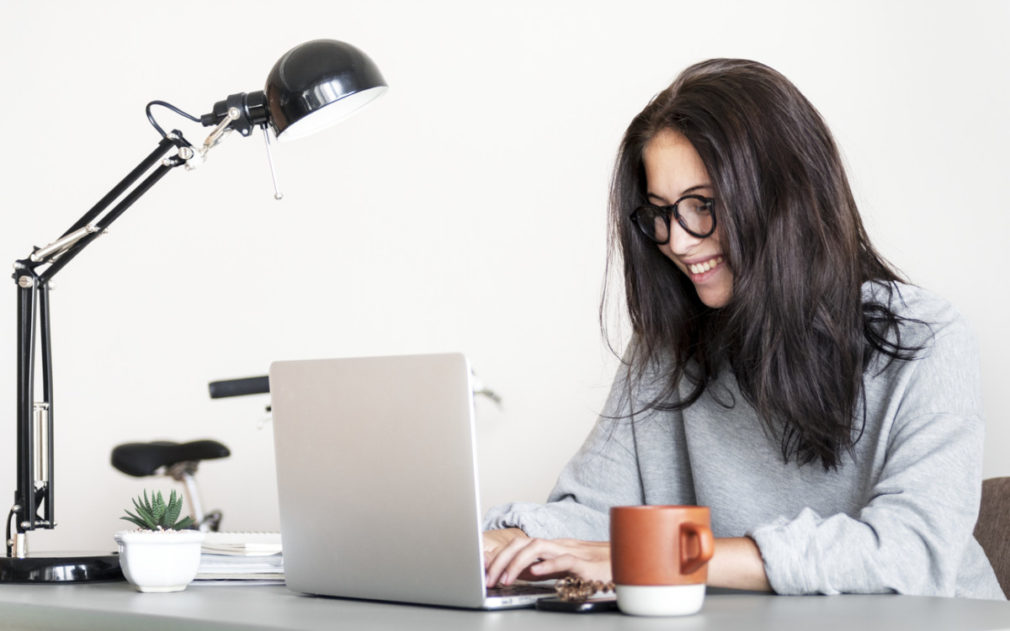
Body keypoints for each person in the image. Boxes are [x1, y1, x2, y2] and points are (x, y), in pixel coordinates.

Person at [481, 58, 1004, 599]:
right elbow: (593, 515)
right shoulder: (665, 350)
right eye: (659, 212)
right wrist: (510, 543)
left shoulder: (928, 339)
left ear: (786, 198)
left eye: (702, 205)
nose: (677, 243)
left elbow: (911, 552)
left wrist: (667, 556)